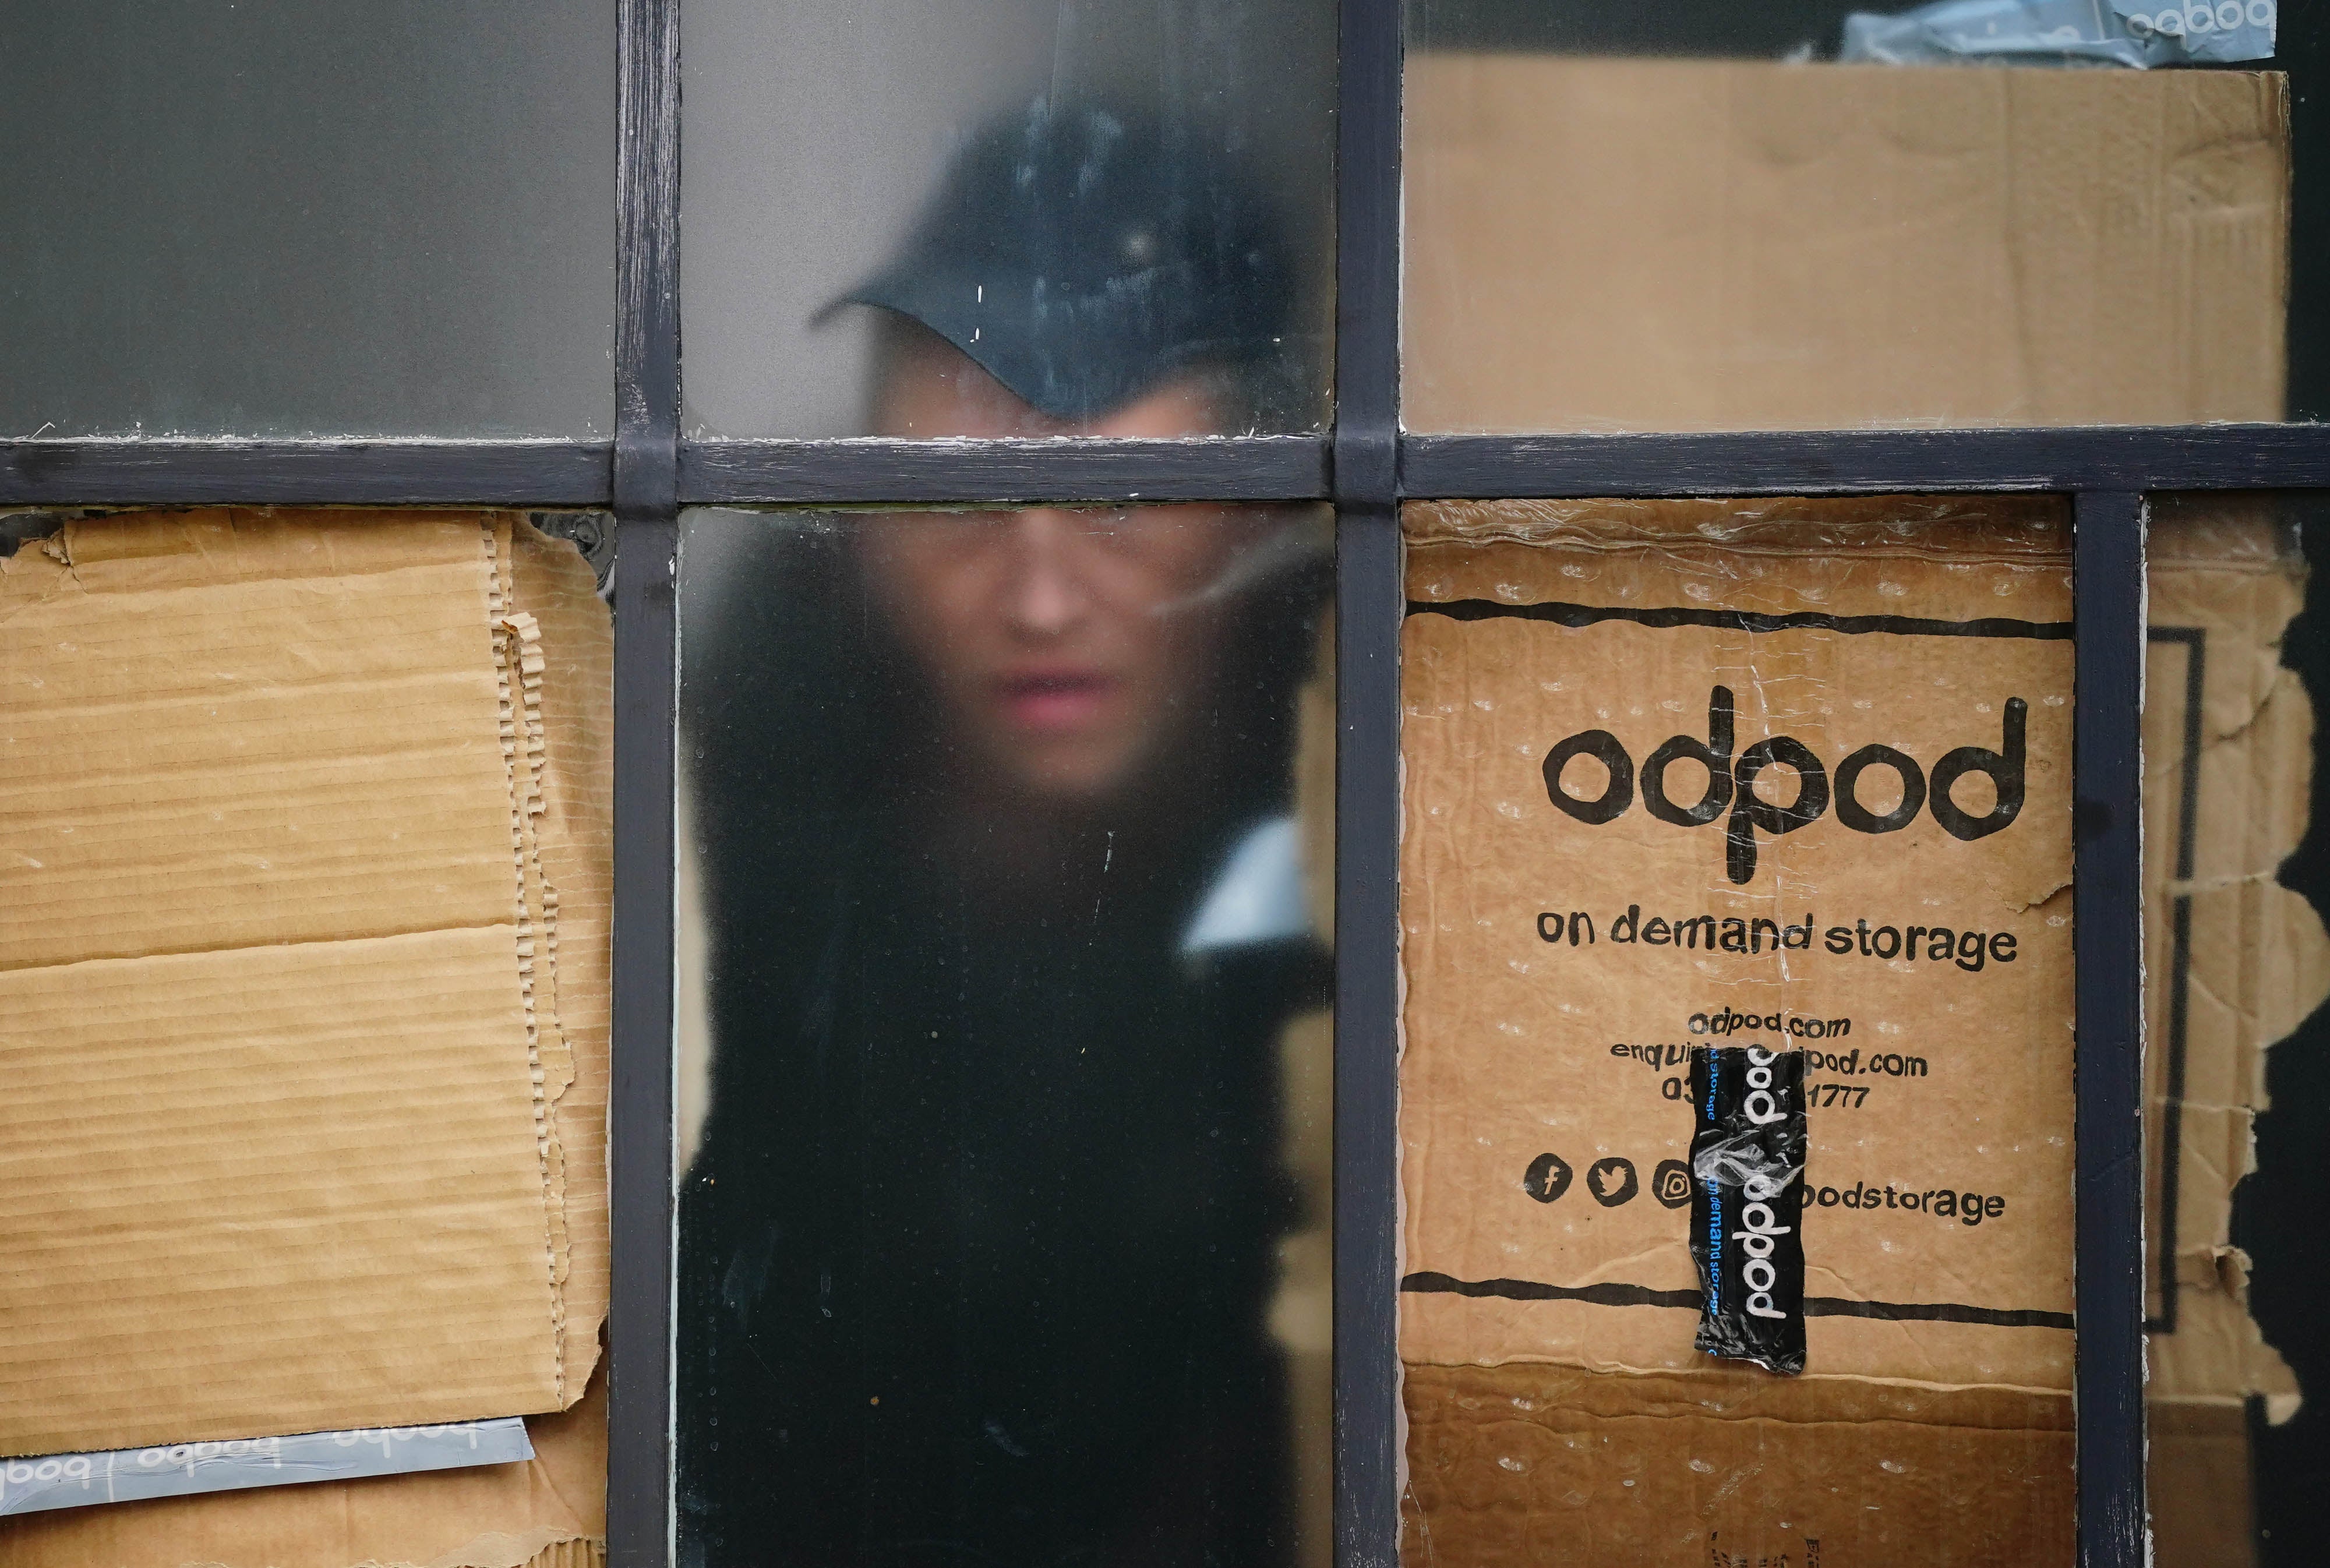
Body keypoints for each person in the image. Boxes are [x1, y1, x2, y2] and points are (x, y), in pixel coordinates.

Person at [676, 100, 1330, 1568]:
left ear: (1261, 508)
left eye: (1120, 506)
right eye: (958, 504)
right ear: (862, 524)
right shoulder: (742, 793)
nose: (1037, 601)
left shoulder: (1369, 812)